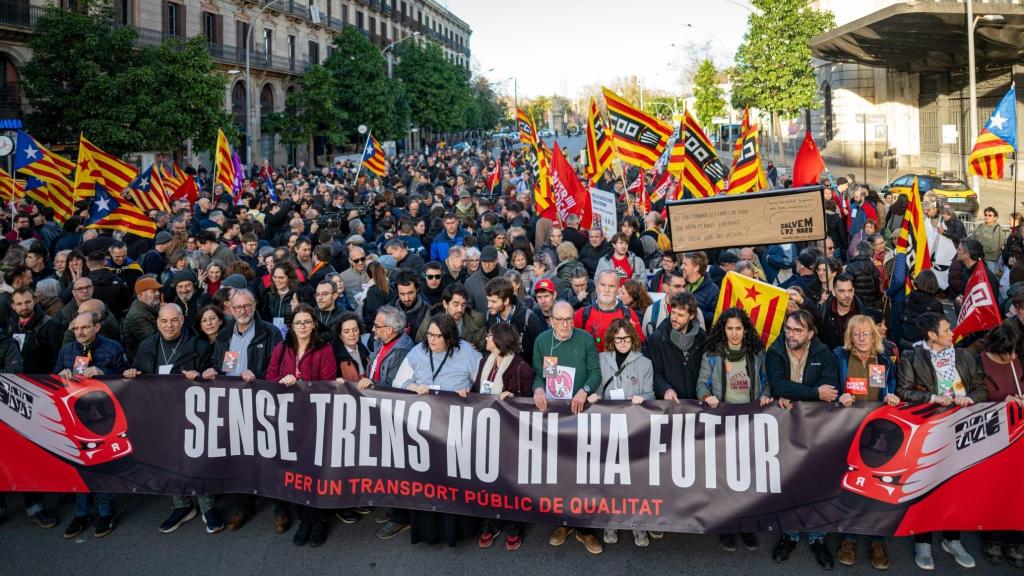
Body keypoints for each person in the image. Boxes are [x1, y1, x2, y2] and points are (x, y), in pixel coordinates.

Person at [897, 312, 987, 570]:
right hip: (928, 429)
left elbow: (980, 388)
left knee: (955, 485)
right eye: (947, 330)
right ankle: (923, 541)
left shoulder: (965, 356)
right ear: (932, 336)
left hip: (962, 430)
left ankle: (952, 538)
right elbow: (903, 391)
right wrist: (933, 399)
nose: (952, 334)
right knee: (926, 484)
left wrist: (968, 399)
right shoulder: (911, 358)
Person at [123, 303, 221, 534]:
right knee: (168, 460)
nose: (169, 325)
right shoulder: (147, 346)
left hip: (191, 412)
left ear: (182, 321)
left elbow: (213, 374)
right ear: (157, 323)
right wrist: (131, 373)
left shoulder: (199, 344)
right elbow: (137, 371)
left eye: (174, 320)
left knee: (196, 459)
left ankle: (207, 506)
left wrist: (201, 376)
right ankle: (181, 506)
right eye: (164, 321)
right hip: (158, 413)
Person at [393, 313, 481, 546]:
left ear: (449, 336)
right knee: (426, 483)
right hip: (422, 430)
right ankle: (429, 533)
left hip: (454, 429)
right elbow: (396, 383)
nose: (431, 340)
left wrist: (469, 393)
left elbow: (483, 382)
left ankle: (459, 531)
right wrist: (412, 386)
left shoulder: (467, 352)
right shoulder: (418, 352)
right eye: (429, 334)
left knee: (453, 482)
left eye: (437, 336)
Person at [203, 289, 286, 533]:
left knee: (270, 457)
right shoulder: (225, 334)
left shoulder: (269, 332)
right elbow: (220, 364)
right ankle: (244, 506)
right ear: (229, 308)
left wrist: (258, 377)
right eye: (237, 307)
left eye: (247, 306)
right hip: (232, 404)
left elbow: (277, 369)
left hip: (261, 404)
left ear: (254, 305)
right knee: (238, 458)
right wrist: (212, 371)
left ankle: (280, 509)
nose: (242, 311)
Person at [766, 309, 839, 569]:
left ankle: (818, 538)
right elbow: (778, 385)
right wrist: (812, 392)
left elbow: (829, 390)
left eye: (797, 330)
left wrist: (801, 393)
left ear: (810, 333)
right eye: (788, 328)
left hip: (817, 429)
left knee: (817, 483)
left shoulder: (824, 353)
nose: (791, 334)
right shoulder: (775, 351)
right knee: (789, 481)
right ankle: (790, 534)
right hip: (785, 428)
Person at [696, 307, 771, 553]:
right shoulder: (713, 354)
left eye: (739, 328)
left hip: (750, 420)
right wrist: (707, 396)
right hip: (723, 421)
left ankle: (746, 525)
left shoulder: (756, 352)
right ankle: (727, 526)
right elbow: (701, 384)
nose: (735, 333)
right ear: (723, 330)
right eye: (730, 328)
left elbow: (765, 380)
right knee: (727, 477)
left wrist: (766, 396)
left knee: (748, 477)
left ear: (745, 329)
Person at [533, 301, 603, 555]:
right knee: (558, 472)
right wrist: (538, 388)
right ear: (550, 320)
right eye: (560, 320)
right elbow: (539, 373)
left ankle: (585, 529)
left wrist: (584, 391)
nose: (565, 324)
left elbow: (595, 372)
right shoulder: (543, 341)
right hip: (554, 417)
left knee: (583, 474)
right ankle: (562, 524)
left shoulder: (584, 339)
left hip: (581, 414)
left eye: (569, 319)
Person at [264, 304, 338, 547]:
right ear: (291, 326)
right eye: (298, 323)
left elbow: (327, 384)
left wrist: (301, 382)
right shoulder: (281, 348)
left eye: (307, 322)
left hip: (315, 418)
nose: (303, 326)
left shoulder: (324, 349)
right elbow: (270, 378)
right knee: (295, 471)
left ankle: (319, 520)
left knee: (314, 470)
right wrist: (282, 381)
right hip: (287, 417)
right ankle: (304, 519)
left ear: (314, 324)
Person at [831, 314, 900, 569]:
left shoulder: (884, 361)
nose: (861, 338)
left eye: (866, 334)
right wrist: (839, 397)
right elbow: (830, 388)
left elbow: (894, 388)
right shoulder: (839, 356)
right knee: (852, 486)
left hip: (878, 432)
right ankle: (848, 538)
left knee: (877, 488)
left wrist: (893, 396)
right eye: (856, 334)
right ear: (850, 336)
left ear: (875, 336)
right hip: (848, 430)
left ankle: (876, 539)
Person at [56, 311, 130, 540]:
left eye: (85, 328)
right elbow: (52, 377)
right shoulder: (67, 350)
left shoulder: (113, 347)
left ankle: (106, 512)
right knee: (79, 464)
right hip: (76, 416)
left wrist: (103, 373)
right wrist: (61, 374)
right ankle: (81, 513)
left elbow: (126, 378)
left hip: (105, 415)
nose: (80, 332)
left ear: (97, 327)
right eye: (76, 329)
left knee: (102, 462)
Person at [589, 318, 654, 548]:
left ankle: (638, 524)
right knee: (611, 479)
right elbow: (596, 387)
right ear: (612, 339)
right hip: (609, 429)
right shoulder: (601, 359)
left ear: (633, 338)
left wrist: (643, 398)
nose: (623, 342)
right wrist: (594, 395)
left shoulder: (645, 363)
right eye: (618, 338)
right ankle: (612, 521)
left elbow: (650, 394)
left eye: (626, 338)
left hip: (634, 428)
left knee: (636, 479)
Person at [360, 305, 417, 541]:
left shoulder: (402, 351)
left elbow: (391, 385)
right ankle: (393, 505)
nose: (374, 330)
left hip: (392, 415)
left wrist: (370, 385)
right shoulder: (381, 344)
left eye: (378, 326)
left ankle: (402, 515)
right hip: (378, 412)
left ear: (392, 329)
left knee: (398, 467)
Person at [976, 324, 1024, 567]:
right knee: (995, 490)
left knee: (1018, 490)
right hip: (992, 435)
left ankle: (1015, 538)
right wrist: (1001, 402)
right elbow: (976, 397)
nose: (1013, 356)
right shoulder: (979, 363)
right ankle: (992, 537)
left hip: (1018, 435)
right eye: (1009, 351)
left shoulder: (1016, 364)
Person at [574, 270, 645, 353]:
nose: (606, 290)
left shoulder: (629, 315)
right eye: (603, 285)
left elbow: (639, 345)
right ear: (596, 287)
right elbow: (574, 346)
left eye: (611, 286)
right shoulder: (582, 314)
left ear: (618, 289)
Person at [484, 276, 544, 364]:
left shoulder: (527, 317)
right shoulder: (490, 316)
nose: (489, 305)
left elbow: (542, 348)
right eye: (488, 300)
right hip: (500, 370)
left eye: (494, 302)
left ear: (506, 301)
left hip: (525, 372)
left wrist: (540, 375)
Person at [7, 287, 63, 374]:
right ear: (13, 306)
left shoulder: (50, 324)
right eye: (19, 304)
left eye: (27, 302)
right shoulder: (10, 325)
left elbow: (57, 358)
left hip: (40, 380)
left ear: (34, 300)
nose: (24, 307)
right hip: (15, 379)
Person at [416, 283, 486, 351]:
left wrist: (474, 351)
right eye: (456, 304)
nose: (460, 309)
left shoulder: (477, 321)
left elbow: (484, 350)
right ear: (445, 304)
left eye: (463, 304)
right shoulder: (428, 323)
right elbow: (419, 350)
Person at [817, 273, 865, 350]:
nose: (847, 295)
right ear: (833, 292)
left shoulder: (862, 311)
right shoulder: (824, 312)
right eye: (842, 291)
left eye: (850, 290)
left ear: (853, 291)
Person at [123, 276, 163, 361]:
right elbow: (153, 341)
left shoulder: (149, 305)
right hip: (142, 359)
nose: (158, 294)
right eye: (153, 291)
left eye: (158, 290)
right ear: (141, 294)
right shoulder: (137, 316)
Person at [681, 251, 719, 327]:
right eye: (682, 263)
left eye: (685, 264)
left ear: (696, 267)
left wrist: (693, 312)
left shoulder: (713, 290)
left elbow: (716, 318)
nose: (681, 267)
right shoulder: (680, 284)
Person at [334, 312, 370, 382]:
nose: (352, 334)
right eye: (346, 331)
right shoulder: (334, 356)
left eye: (355, 330)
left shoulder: (364, 350)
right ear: (340, 335)